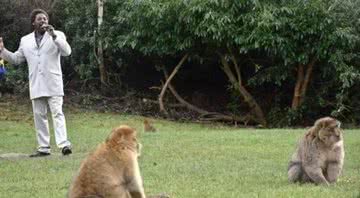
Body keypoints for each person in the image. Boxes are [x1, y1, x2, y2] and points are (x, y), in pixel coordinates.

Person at [0, 9, 72, 157]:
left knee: (57, 113)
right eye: (40, 19)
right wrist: (3, 51)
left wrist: (53, 35)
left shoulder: (58, 35)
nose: (43, 21)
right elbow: (16, 59)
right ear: (33, 22)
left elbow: (67, 52)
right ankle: (44, 148)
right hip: (36, 84)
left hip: (53, 82)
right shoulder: (25, 40)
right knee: (40, 116)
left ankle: (64, 144)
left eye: (45, 19)